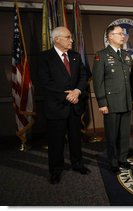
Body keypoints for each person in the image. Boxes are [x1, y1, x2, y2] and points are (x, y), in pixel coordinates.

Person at [37, 26, 90, 184]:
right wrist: (68, 95)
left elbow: (83, 76)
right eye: (68, 37)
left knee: (75, 138)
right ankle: (56, 170)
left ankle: (77, 164)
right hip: (56, 106)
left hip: (75, 106)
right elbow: (45, 83)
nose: (71, 40)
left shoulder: (75, 56)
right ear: (56, 39)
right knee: (56, 142)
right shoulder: (44, 57)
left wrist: (78, 91)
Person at [92, 25, 133, 174]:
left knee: (124, 134)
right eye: (119, 34)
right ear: (110, 36)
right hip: (111, 103)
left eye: (123, 34)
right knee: (112, 134)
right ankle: (113, 162)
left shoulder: (126, 55)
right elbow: (98, 81)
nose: (123, 36)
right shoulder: (101, 55)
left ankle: (122, 159)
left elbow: (131, 79)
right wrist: (102, 102)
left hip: (126, 100)